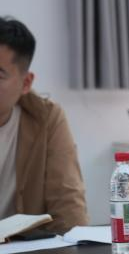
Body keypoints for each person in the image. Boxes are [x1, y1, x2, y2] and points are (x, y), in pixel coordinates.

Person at [0, 16, 89, 233]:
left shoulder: (46, 119)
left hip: (21, 250)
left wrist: (74, 249)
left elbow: (67, 203)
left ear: (26, 83)